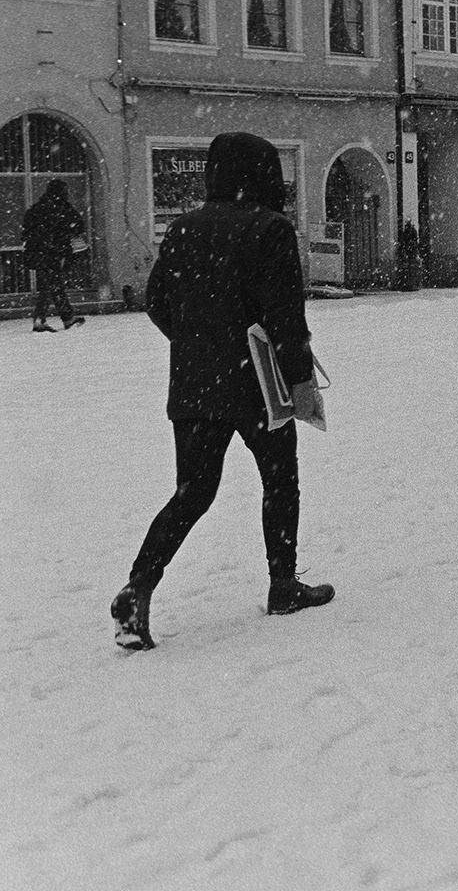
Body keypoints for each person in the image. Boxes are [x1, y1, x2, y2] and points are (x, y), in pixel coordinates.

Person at [110, 133, 332, 651]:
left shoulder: (182, 228)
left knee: (193, 492)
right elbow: (284, 315)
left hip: (195, 386)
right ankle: (283, 586)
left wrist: (199, 343)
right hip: (257, 387)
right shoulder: (270, 228)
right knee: (280, 480)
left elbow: (157, 302)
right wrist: (300, 380)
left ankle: (137, 587)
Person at [22, 179, 87, 332]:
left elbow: (26, 231)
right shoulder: (63, 208)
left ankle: (64, 317)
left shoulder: (37, 209)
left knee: (51, 284)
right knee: (53, 285)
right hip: (56, 252)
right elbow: (78, 226)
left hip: (39, 253)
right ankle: (46, 319)